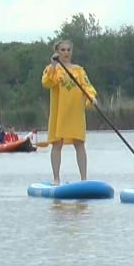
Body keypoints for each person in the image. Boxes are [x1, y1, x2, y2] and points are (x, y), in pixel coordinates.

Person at [42, 39, 97, 185]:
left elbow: (87, 86)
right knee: (57, 144)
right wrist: (54, 66)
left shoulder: (78, 70)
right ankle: (56, 178)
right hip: (59, 111)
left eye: (68, 50)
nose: (66, 53)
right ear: (57, 52)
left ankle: (84, 178)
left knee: (79, 143)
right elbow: (47, 83)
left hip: (75, 111)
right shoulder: (51, 69)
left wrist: (91, 97)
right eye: (62, 50)